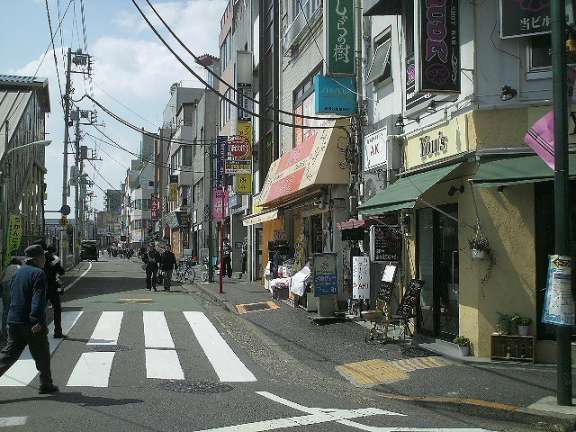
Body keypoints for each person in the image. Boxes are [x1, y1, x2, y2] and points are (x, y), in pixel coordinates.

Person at [0, 245, 59, 394]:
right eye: (43, 257)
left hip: (13, 320)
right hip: (30, 322)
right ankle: (46, 384)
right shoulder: (38, 273)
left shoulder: (17, 273)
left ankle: (47, 384)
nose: (45, 259)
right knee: (42, 354)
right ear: (38, 258)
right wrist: (36, 320)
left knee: (8, 355)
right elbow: (38, 298)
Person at [1, 258, 21, 341]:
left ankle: (4, 333)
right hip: (13, 287)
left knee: (6, 311)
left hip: (5, 288)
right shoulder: (19, 267)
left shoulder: (7, 268)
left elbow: (1, 278)